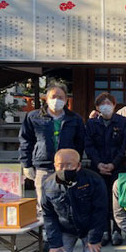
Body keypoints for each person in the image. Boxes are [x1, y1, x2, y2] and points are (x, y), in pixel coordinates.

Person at [42, 149, 107, 252]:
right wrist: (54, 242)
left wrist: (94, 239)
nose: (64, 168)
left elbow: (100, 211)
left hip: (88, 228)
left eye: (69, 165)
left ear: (78, 165)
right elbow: (48, 215)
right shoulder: (48, 184)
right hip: (65, 229)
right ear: (54, 165)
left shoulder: (93, 180)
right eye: (60, 165)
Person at [19, 82, 85, 214]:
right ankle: (46, 232)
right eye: (53, 97)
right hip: (43, 165)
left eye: (60, 97)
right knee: (44, 202)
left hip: (67, 168)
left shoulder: (74, 119)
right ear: (47, 98)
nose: (57, 100)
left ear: (66, 100)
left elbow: (80, 142)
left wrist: (76, 163)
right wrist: (26, 164)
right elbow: (26, 141)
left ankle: (67, 232)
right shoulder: (33, 117)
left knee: (66, 201)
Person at [85, 92, 126, 246]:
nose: (106, 106)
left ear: (114, 105)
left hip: (118, 167)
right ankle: (104, 230)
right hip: (97, 168)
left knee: (118, 200)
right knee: (100, 200)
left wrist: (113, 164)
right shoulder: (91, 124)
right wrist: (98, 164)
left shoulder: (123, 122)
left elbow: (125, 146)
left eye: (109, 102)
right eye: (102, 103)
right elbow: (89, 146)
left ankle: (118, 230)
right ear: (97, 107)